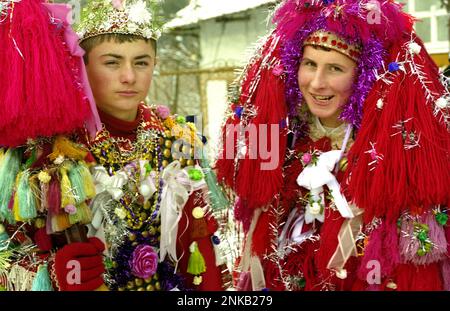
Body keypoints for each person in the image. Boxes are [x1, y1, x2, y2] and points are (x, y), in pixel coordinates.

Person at [217, 0, 450, 291]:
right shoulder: (283, 149)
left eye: (335, 68)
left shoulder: (385, 164)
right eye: (310, 64)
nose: (316, 83)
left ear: (362, 77)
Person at [52, 0, 229, 291]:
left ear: (154, 65)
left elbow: (199, 252)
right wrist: (58, 275)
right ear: (82, 67)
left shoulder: (177, 140)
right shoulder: (60, 150)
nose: (129, 77)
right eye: (112, 62)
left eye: (141, 62)